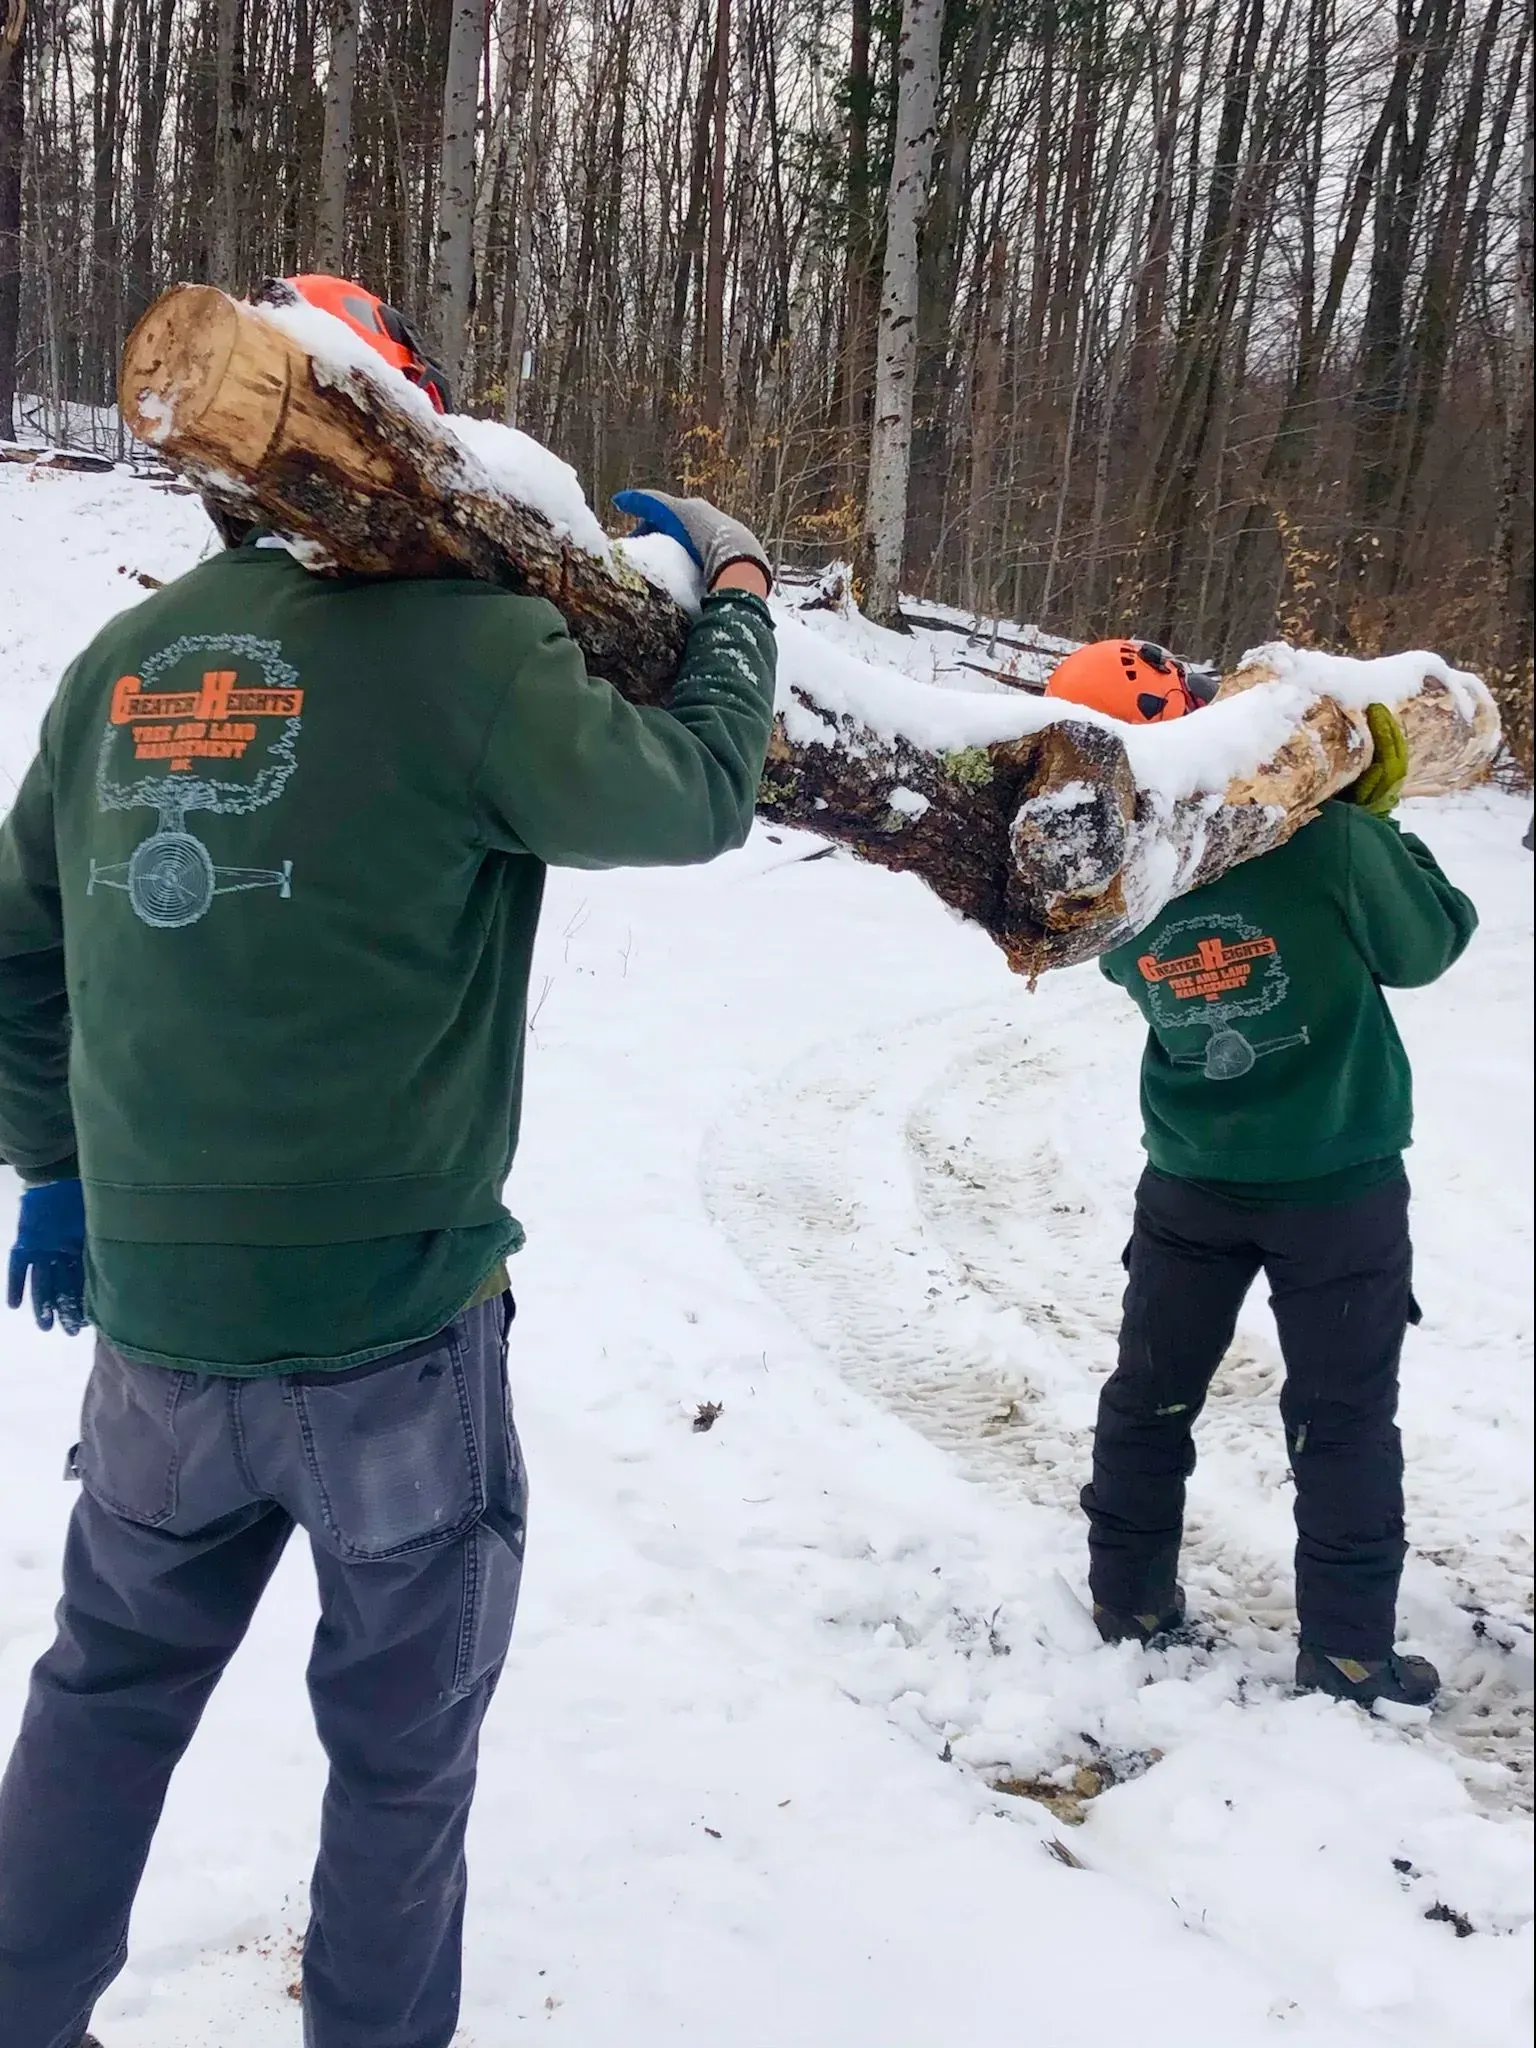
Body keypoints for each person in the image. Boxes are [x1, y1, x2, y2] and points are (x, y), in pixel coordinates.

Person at [0, 273, 778, 2048]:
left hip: (160, 1331)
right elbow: (692, 795)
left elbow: (11, 947)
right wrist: (733, 597)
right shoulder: (472, 649)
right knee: (401, 1754)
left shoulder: (121, 668)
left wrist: (57, 1165)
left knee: (104, 1698)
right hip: (395, 1335)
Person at [1047, 642, 1478, 1710]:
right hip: (1338, 1180)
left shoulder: (1109, 879)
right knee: (1344, 1416)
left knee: (1151, 1393)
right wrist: (1374, 822)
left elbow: (1135, 969)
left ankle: (1129, 1599)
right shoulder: (1327, 839)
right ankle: (1348, 1652)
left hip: (1188, 1177)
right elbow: (1429, 945)